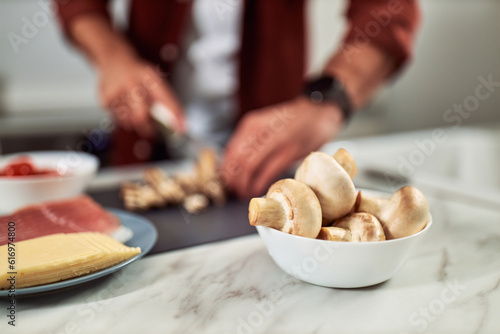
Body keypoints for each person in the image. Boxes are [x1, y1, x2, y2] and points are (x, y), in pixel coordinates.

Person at [55, 0, 420, 198]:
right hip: (147, 156)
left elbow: (389, 9)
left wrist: (329, 98)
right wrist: (114, 57)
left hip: (270, 164)